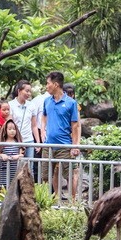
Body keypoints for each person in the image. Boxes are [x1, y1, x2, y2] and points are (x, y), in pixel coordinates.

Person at [40, 71, 81, 201]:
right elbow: (44, 116)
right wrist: (42, 131)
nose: (46, 86)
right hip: (48, 145)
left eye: (48, 83)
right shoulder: (47, 101)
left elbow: (75, 125)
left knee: (69, 175)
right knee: (45, 176)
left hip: (65, 145)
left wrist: (75, 145)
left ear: (56, 84)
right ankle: (49, 201)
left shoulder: (71, 103)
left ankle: (72, 203)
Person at [8, 80, 39, 161]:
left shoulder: (32, 105)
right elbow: (9, 125)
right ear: (19, 91)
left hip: (29, 140)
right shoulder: (10, 104)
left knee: (29, 166)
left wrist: (38, 143)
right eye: (27, 91)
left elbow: (34, 126)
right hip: (15, 141)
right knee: (15, 166)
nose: (29, 94)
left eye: (30, 91)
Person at [0, 118, 24, 191]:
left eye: (14, 129)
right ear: (5, 130)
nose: (12, 131)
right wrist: (1, 155)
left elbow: (22, 154)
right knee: (3, 189)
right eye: (9, 129)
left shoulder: (18, 143)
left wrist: (18, 156)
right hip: (4, 171)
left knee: (14, 188)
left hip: (15, 171)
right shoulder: (2, 143)